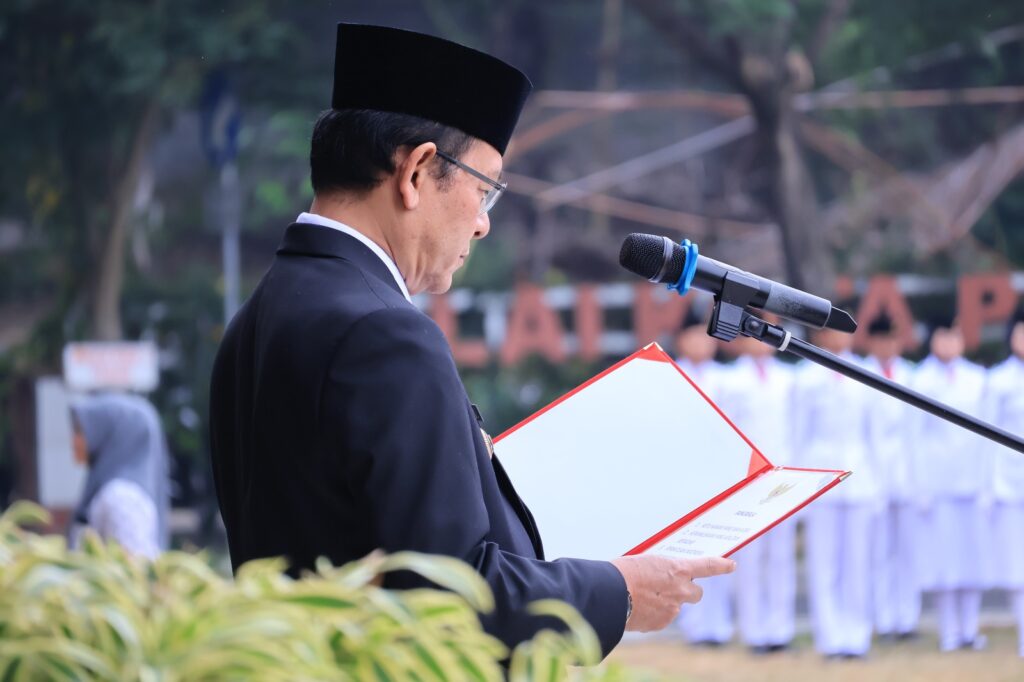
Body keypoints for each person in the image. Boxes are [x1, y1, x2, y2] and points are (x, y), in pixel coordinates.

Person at [209, 23, 734, 657]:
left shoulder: (259, 315)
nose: (483, 224)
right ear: (416, 171)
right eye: (484, 189)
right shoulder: (387, 334)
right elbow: (452, 593)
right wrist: (618, 590)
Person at [793, 324, 877, 659]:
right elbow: (799, 434)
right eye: (833, 331)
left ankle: (857, 638)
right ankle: (829, 638)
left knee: (858, 562)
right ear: (820, 336)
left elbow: (873, 434)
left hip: (860, 477)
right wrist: (799, 487)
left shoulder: (866, 372)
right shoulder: (806, 377)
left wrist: (878, 481)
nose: (840, 337)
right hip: (821, 477)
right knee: (824, 563)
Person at [909, 316, 991, 652]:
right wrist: (921, 486)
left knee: (972, 560)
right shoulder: (920, 379)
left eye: (954, 336)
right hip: (938, 483)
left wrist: (987, 482)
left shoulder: (978, 378)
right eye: (943, 337)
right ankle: (949, 631)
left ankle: (970, 629)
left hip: (971, 481)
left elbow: (988, 435)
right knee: (943, 561)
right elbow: (914, 438)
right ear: (933, 341)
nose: (949, 343)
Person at [719, 314, 798, 654]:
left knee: (781, 557)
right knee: (750, 559)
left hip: (783, 476)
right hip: (747, 479)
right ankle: (753, 631)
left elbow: (798, 429)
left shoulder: (790, 379)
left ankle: (780, 630)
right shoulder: (731, 381)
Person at [671, 308, 735, 647]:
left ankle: (719, 623)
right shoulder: (670, 374)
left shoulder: (727, 379)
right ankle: (693, 624)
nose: (700, 342)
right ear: (681, 340)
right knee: (685, 550)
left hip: (720, 473)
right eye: (693, 335)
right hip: (683, 473)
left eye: (705, 335)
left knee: (720, 548)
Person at [862, 313, 921, 641]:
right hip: (874, 473)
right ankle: (884, 620)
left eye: (893, 339)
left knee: (908, 551)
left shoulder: (911, 374)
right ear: (873, 342)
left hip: (906, 472)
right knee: (880, 552)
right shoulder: (859, 371)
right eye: (883, 339)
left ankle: (907, 619)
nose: (888, 346)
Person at [69, 392, 171, 560]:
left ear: (110, 433)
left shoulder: (121, 497)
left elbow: (134, 566)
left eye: (80, 431)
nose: (74, 441)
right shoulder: (114, 489)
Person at [983, 307, 1024, 658]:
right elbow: (985, 438)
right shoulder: (998, 381)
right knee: (1017, 567)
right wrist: (989, 486)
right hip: (1010, 483)